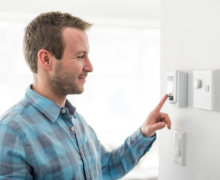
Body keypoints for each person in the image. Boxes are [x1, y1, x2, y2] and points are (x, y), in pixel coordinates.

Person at [0, 12, 171, 180]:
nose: (90, 67)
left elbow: (106, 168)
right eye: (80, 56)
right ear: (46, 60)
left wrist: (143, 133)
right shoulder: (12, 132)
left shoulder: (77, 122)